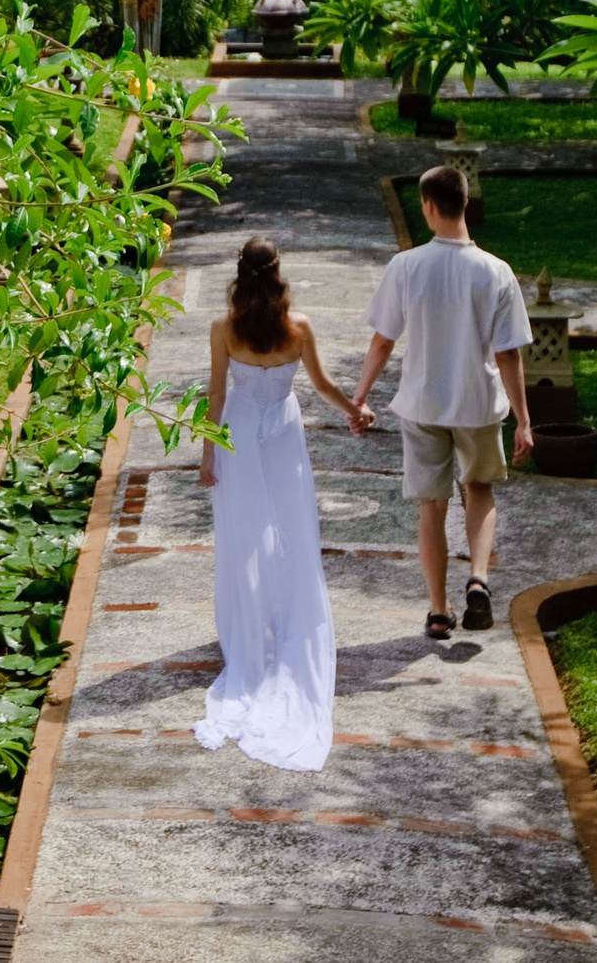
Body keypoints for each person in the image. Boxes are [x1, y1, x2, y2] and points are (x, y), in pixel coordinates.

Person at [194, 236, 372, 771]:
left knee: (245, 534)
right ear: (278, 273)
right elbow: (322, 385)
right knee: (291, 530)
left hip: (239, 430)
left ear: (238, 274)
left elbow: (216, 396)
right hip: (284, 432)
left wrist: (208, 454)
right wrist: (355, 410)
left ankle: (250, 628)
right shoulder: (299, 327)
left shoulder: (224, 328)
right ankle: (288, 620)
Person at [352, 164, 535, 641]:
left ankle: (437, 611)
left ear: (428, 207)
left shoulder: (407, 266)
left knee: (431, 506)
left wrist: (360, 396)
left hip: (422, 405)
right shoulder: (496, 272)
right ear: (466, 203)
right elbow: (508, 353)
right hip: (478, 403)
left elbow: (382, 342)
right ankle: (478, 578)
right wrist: (523, 420)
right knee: (480, 489)